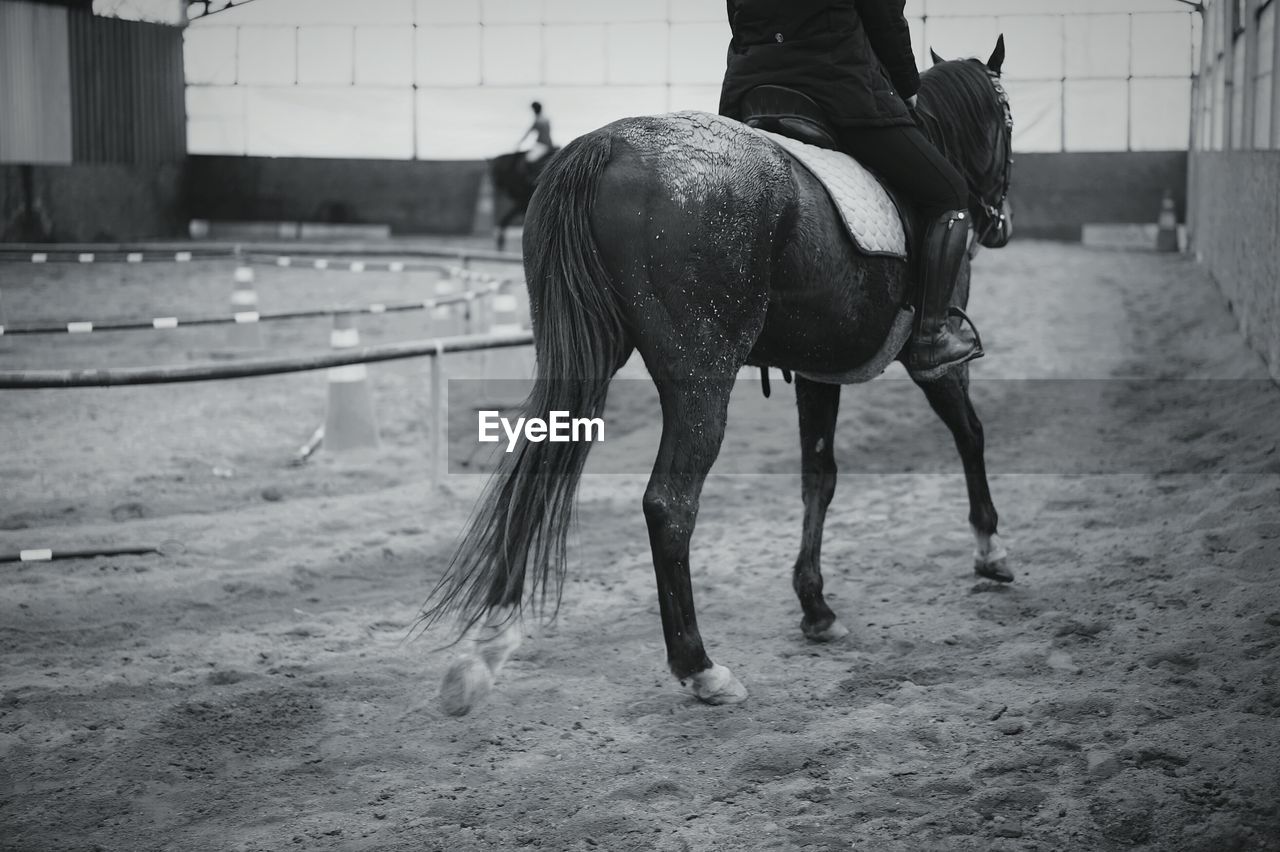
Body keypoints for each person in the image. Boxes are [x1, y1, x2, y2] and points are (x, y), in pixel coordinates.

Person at [718, 0, 982, 378]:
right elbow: (883, 14)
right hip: (835, 86)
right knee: (949, 195)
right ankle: (931, 335)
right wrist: (907, 86)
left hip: (752, 92)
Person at [519, 101, 555, 167]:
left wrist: (519, 143)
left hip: (542, 145)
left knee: (528, 160)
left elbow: (528, 134)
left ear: (534, 110)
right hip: (549, 143)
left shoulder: (538, 121)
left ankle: (531, 176)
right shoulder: (546, 119)